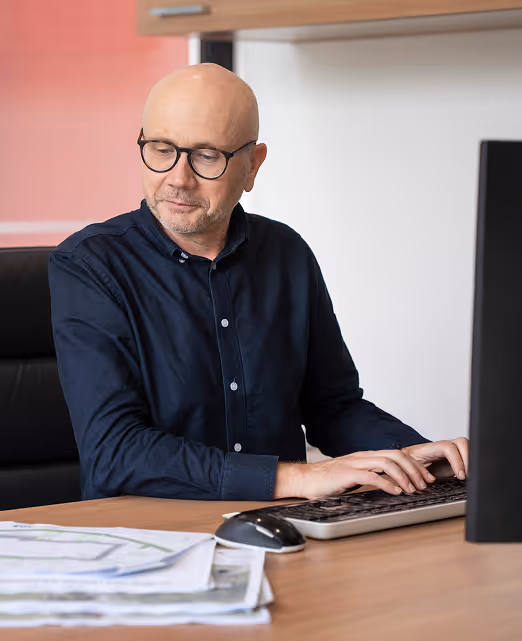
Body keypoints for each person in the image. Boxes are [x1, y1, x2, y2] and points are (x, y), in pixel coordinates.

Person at [49, 63, 469, 502]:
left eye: (206, 156)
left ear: (252, 165)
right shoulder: (89, 265)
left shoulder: (286, 253)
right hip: (149, 532)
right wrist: (299, 479)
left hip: (280, 524)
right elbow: (114, 451)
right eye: (161, 149)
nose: (178, 178)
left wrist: (412, 455)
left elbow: (333, 407)